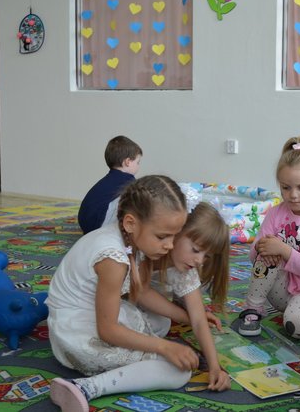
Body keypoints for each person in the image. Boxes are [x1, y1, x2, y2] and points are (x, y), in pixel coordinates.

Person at [47, 175, 231, 412]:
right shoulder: (114, 258)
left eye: (174, 236)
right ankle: (86, 387)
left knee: (160, 323)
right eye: (163, 237)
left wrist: (214, 366)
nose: (170, 245)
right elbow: (107, 330)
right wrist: (164, 347)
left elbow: (141, 291)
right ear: (131, 223)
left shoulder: (131, 239)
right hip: (76, 333)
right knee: (177, 372)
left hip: (78, 315)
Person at [237, 136, 300, 340]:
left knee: (298, 328)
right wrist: (262, 248)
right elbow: (253, 256)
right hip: (282, 289)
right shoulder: (276, 213)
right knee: (265, 251)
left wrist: (282, 249)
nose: (293, 195)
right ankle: (253, 309)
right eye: (286, 187)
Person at [150, 201, 231, 391]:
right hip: (116, 300)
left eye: (207, 256)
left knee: (161, 323)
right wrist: (187, 316)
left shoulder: (186, 267)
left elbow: (199, 321)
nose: (199, 261)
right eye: (196, 250)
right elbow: (137, 292)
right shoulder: (148, 249)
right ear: (176, 232)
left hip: (143, 304)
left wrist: (215, 367)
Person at [78, 135, 142, 234]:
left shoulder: (109, 179)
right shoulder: (128, 180)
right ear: (128, 162)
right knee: (137, 199)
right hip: (98, 226)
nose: (138, 166)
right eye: (138, 162)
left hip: (85, 224)